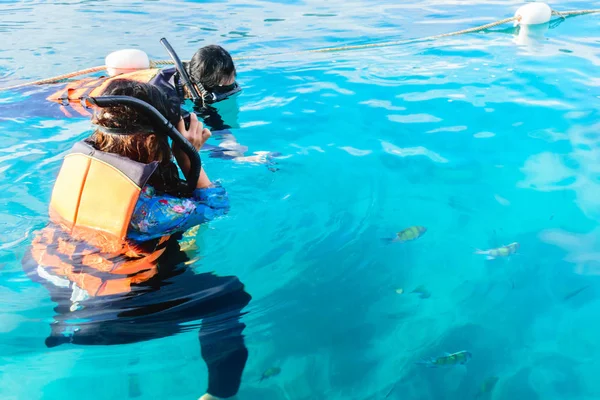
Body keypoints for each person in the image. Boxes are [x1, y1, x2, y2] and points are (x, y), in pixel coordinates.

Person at [21, 79, 251, 400]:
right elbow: (215, 205)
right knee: (229, 295)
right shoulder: (150, 212)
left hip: (53, 279)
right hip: (109, 318)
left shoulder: (80, 164)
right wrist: (190, 158)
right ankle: (218, 395)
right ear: (154, 139)